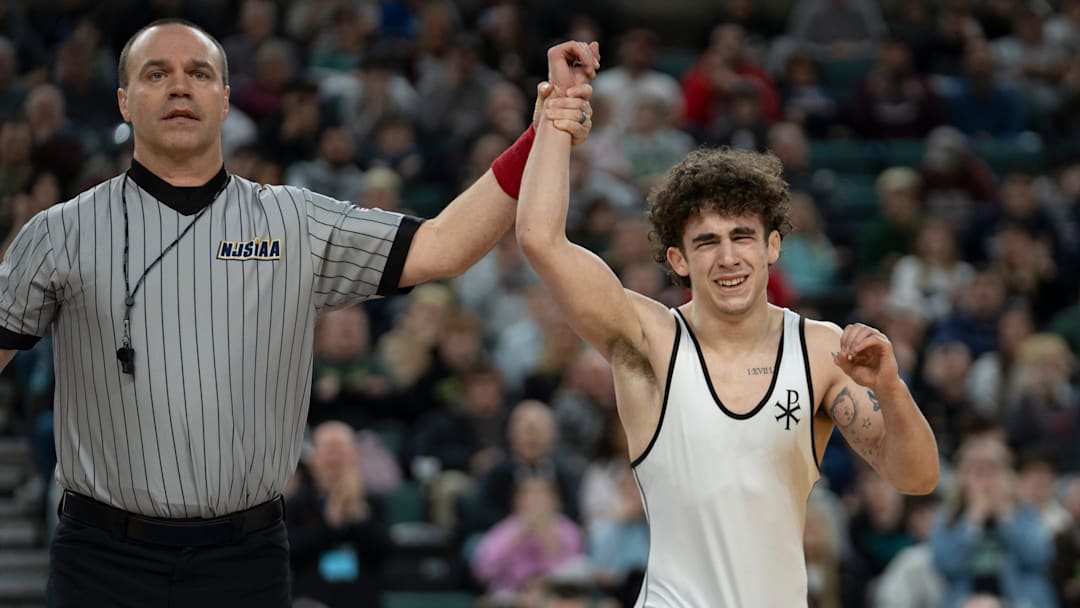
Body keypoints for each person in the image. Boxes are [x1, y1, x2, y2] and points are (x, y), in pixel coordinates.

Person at [0, 19, 600, 607]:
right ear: (125, 101)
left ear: (227, 100)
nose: (180, 86)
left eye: (199, 73)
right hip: (101, 559)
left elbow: (444, 246)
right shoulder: (59, 233)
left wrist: (544, 128)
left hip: (244, 559)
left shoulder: (294, 221)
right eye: (157, 74)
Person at [515, 87, 939, 605]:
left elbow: (917, 479)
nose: (728, 257)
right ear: (677, 260)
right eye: (706, 242)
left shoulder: (820, 351)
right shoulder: (650, 339)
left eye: (742, 236)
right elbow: (540, 240)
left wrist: (891, 390)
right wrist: (557, 119)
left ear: (773, 246)